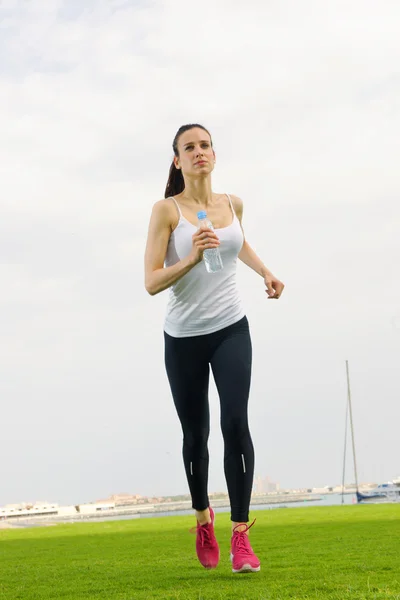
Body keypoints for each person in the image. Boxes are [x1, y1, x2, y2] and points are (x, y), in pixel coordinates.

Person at [144, 124, 284, 573]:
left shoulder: (232, 204)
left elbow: (238, 244)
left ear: (214, 154)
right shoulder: (166, 211)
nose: (199, 152)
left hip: (230, 328)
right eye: (189, 147)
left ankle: (240, 538)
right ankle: (203, 517)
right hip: (183, 337)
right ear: (177, 161)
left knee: (236, 421)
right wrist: (189, 258)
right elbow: (150, 283)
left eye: (205, 145)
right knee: (195, 435)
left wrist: (265, 271)